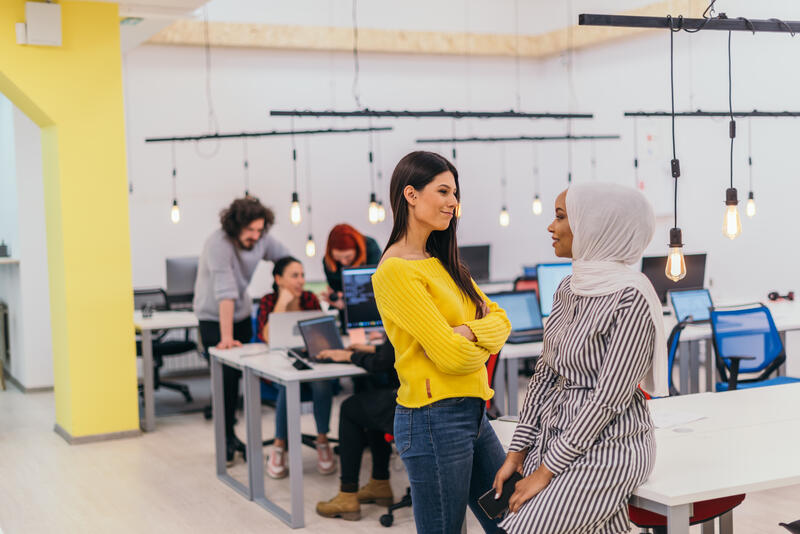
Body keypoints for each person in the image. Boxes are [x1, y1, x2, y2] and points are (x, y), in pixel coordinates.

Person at [493, 183, 667, 534]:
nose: (550, 227)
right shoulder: (568, 288)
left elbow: (607, 400)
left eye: (559, 216)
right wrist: (517, 452)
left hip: (611, 447)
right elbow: (544, 374)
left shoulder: (630, 297)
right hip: (557, 438)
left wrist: (544, 472)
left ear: (595, 226)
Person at [371, 151, 512, 534]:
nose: (453, 202)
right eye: (444, 191)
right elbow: (451, 357)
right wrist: (476, 335)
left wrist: (467, 331)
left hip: (472, 413)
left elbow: (502, 320)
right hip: (433, 418)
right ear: (411, 195)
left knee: (514, 522)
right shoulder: (395, 271)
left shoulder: (444, 260)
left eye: (455, 193)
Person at [194, 196, 290, 466]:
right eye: (250, 230)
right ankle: (225, 437)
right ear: (235, 226)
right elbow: (225, 293)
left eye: (260, 230)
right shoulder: (218, 243)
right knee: (224, 378)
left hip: (241, 313)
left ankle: (236, 435)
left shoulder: (261, 239)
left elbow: (286, 259)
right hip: (213, 317)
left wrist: (285, 286)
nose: (255, 236)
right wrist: (226, 338)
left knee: (239, 377)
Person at [256, 256, 336, 478]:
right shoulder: (269, 301)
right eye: (294, 276)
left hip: (310, 363)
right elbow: (268, 336)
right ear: (278, 279)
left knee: (322, 382)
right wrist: (283, 301)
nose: (301, 280)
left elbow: (323, 334)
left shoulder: (309, 299)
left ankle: (322, 441)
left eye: (302, 275)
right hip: (278, 366)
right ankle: (280, 445)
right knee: (286, 385)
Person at [315, 340, 398, 521]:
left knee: (350, 409)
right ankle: (380, 483)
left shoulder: (407, 311)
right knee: (370, 396)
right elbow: (396, 347)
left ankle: (347, 495)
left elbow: (380, 362)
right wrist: (370, 349)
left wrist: (348, 356)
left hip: (411, 401)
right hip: (432, 393)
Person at [321, 224, 382, 310]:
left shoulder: (371, 249)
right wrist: (339, 299)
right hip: (346, 311)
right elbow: (336, 289)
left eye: (348, 257)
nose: (343, 262)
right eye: (338, 258)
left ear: (358, 251)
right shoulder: (328, 263)